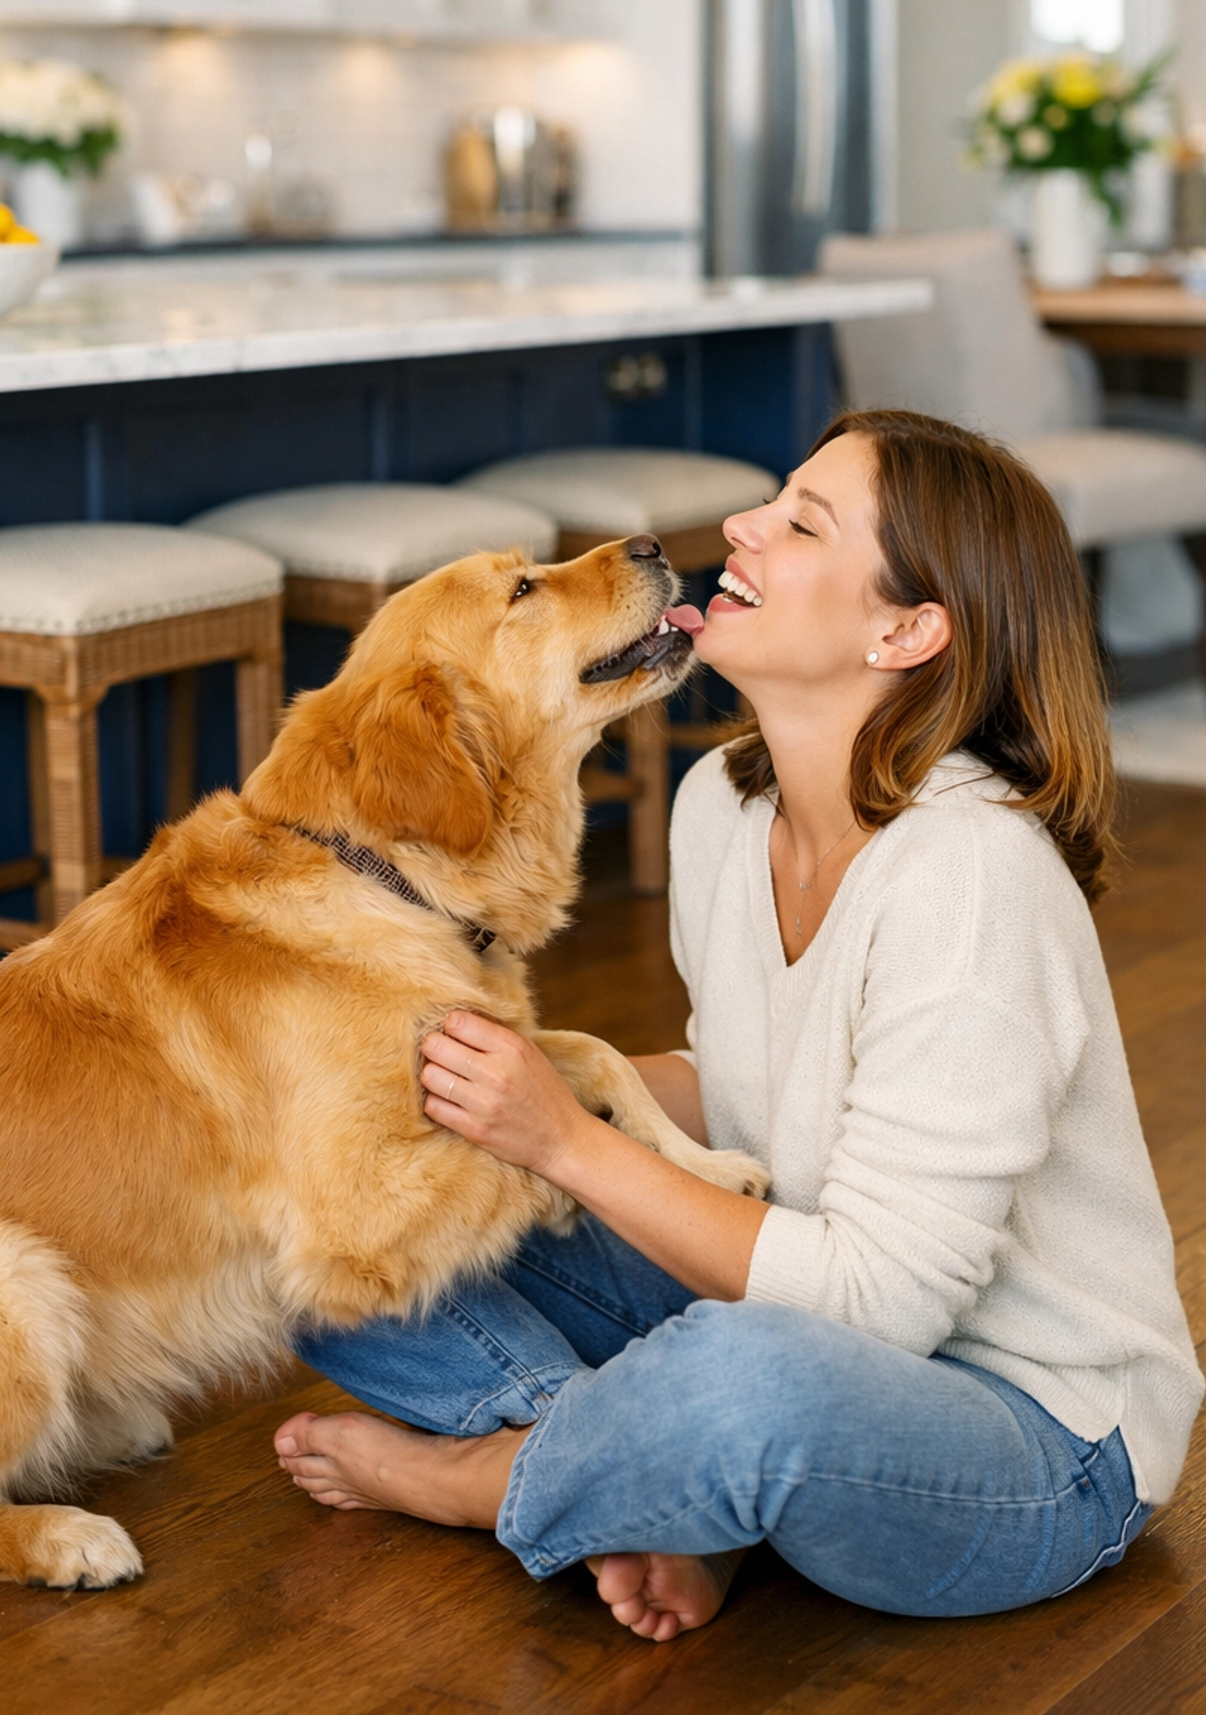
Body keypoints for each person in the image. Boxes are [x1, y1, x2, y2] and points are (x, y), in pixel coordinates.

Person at [274, 409, 1203, 1640]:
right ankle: (657, 1493)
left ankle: (490, 1479)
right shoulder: (723, 802)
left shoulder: (971, 880)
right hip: (790, 1300)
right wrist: (498, 1108)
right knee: (317, 1215)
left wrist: (565, 1142)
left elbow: (876, 1310)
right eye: (774, 500)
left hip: (1031, 1439)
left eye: (802, 522)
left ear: (908, 629)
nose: (741, 530)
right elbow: (746, 1084)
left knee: (745, 1388)